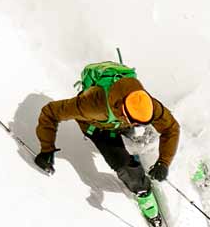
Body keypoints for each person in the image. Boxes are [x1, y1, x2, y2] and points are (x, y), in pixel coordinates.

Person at [31, 68, 180, 217]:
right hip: (98, 126)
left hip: (118, 122)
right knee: (121, 161)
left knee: (131, 131)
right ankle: (141, 189)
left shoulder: (147, 105)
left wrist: (163, 162)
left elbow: (171, 128)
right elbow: (50, 112)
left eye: (141, 123)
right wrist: (46, 149)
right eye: (136, 123)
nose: (138, 125)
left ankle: (132, 141)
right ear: (123, 111)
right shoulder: (92, 106)